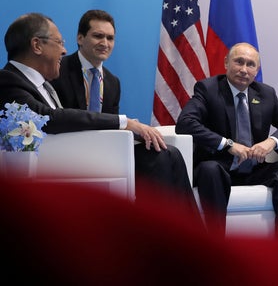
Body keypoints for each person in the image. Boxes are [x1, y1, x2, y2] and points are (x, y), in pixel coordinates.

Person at [0, 12, 200, 219]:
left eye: (110, 38)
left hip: (86, 150)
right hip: (62, 161)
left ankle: (188, 236)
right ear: (37, 45)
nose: (64, 49)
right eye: (59, 42)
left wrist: (132, 133)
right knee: (160, 158)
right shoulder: (8, 80)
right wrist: (125, 123)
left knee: (169, 153)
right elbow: (50, 117)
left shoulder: (44, 83)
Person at [176, 42, 278, 238]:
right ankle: (216, 244)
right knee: (210, 169)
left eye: (250, 64)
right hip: (218, 169)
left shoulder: (266, 94)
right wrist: (227, 144)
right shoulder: (208, 89)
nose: (244, 70)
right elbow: (185, 123)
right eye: (239, 62)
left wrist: (271, 142)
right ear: (226, 63)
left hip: (253, 169)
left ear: (257, 70)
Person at [50, 9, 120, 113]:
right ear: (80, 38)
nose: (105, 43)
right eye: (98, 36)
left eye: (110, 38)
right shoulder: (57, 70)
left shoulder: (113, 83)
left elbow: (113, 125)